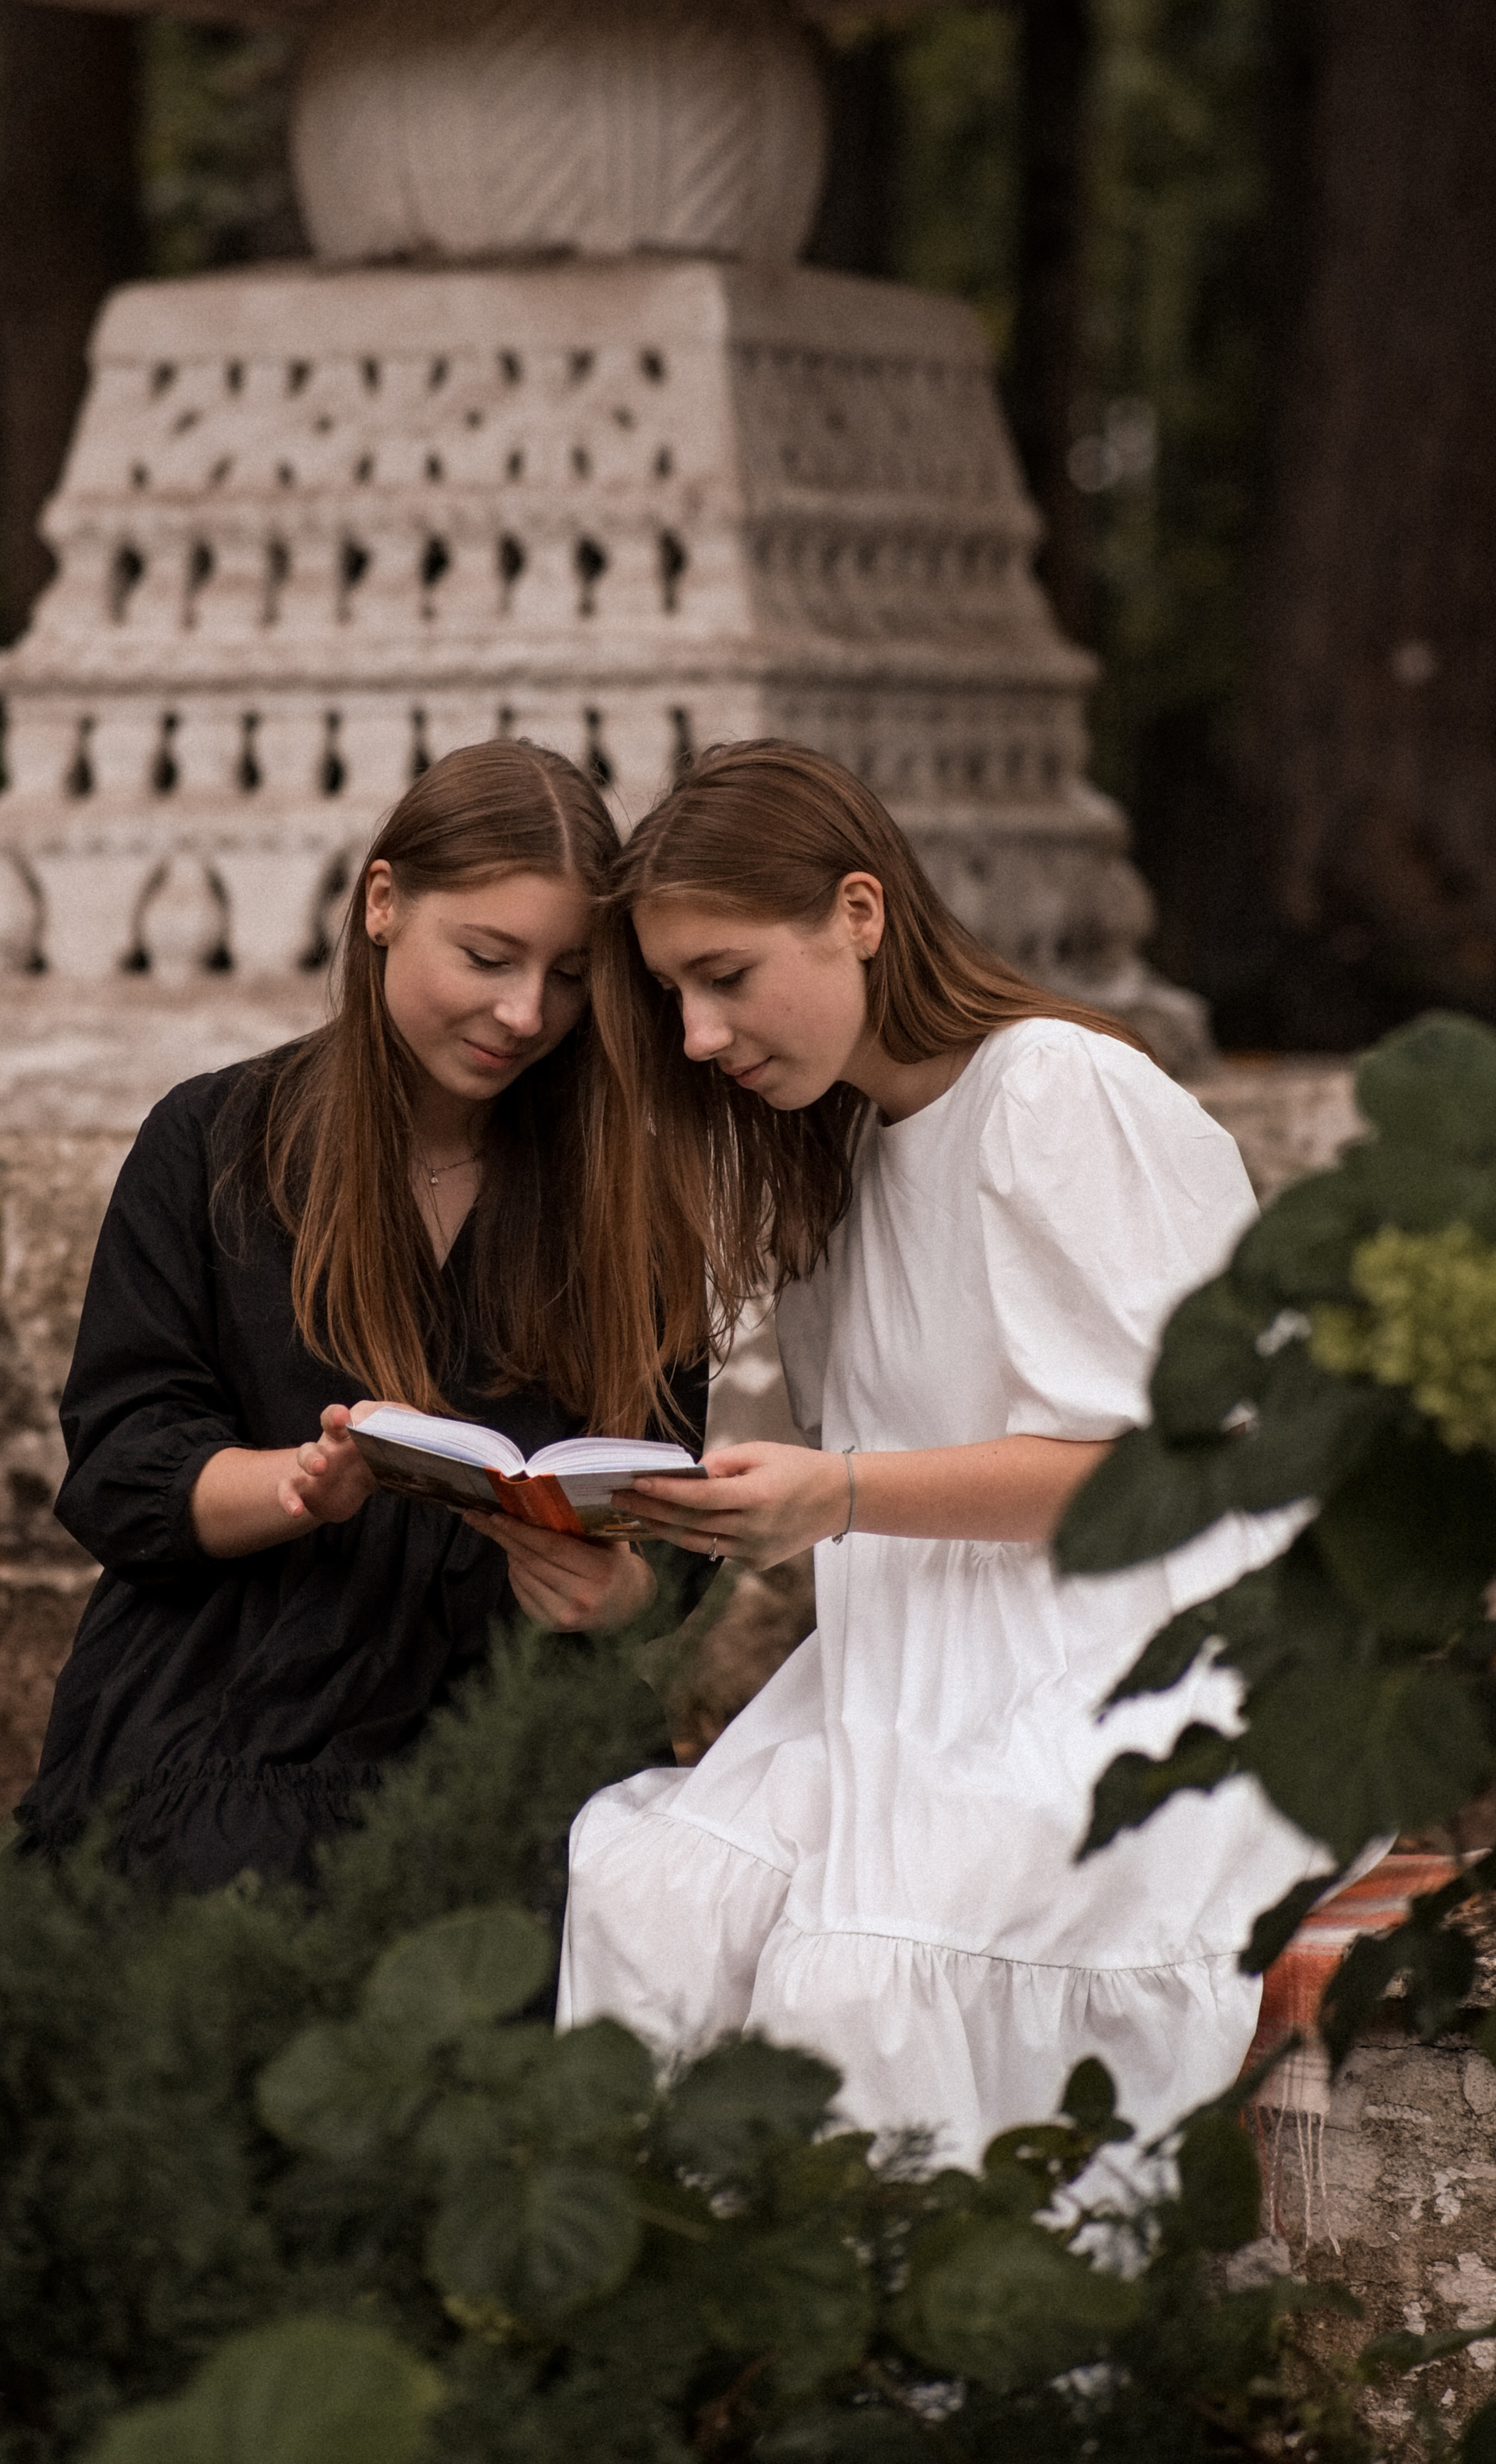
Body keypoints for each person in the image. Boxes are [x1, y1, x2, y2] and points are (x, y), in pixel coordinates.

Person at [558, 741, 1317, 2159]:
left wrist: (837, 1498)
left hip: (1147, 1651)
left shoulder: (1053, 1092)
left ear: (858, 910)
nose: (697, 1036)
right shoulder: (834, 1154)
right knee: (650, 1893)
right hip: (918, 1645)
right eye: (673, 995)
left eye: (722, 976)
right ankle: (683, 2351)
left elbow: (1166, 1470)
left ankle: (943, 2367)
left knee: (856, 1970)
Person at [16, 739, 707, 1893]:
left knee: (609, 1895)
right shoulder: (216, 1143)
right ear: (383, 903)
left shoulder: (623, 1197)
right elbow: (125, 1463)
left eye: (572, 975)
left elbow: (670, 1507)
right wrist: (296, 1485)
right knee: (247, 1880)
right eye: (487, 956)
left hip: (512, 1706)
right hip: (242, 1687)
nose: (525, 1012)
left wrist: (624, 1590)